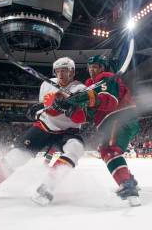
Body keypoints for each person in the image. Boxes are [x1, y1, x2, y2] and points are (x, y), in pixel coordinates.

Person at [0, 57, 86, 205]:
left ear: (72, 72)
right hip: (46, 126)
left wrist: (68, 106)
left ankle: (47, 187)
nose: (61, 74)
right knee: (17, 156)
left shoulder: (80, 89)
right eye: (58, 71)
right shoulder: (46, 84)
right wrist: (36, 111)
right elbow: (43, 108)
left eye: (65, 70)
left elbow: (80, 118)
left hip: (68, 130)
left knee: (75, 149)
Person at [55, 55, 141, 206]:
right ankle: (129, 179)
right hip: (113, 120)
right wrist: (69, 108)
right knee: (106, 150)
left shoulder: (106, 78)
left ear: (102, 68)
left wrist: (83, 98)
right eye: (90, 67)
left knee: (109, 149)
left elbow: (109, 102)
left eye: (95, 66)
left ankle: (127, 185)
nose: (92, 70)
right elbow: (84, 117)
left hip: (119, 116)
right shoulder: (90, 85)